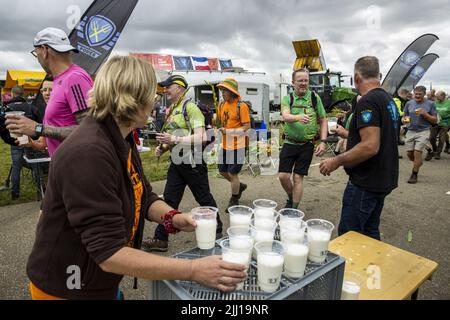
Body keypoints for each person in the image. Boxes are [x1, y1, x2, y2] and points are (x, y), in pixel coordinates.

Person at [26, 56, 246, 300]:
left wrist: (174, 218)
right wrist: (194, 270)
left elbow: (144, 194)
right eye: (151, 92)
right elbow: (109, 254)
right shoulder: (88, 153)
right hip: (67, 288)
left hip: (99, 280)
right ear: (132, 98)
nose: (154, 100)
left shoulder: (121, 136)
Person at [320, 56, 399, 240]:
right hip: (383, 178)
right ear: (378, 75)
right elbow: (382, 135)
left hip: (366, 181)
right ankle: (373, 269)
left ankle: (353, 269)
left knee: (350, 236)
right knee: (370, 232)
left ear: (356, 78)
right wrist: (348, 134)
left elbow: (370, 145)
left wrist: (336, 160)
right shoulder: (388, 100)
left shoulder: (368, 101)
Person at [142, 75, 223, 252]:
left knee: (204, 198)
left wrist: (174, 138)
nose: (165, 90)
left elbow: (201, 136)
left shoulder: (190, 107)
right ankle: (160, 239)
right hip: (177, 162)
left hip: (192, 160)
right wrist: (163, 147)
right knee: (170, 200)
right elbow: (173, 136)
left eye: (168, 86)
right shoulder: (173, 109)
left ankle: (216, 230)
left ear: (179, 88)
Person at [6, 27, 92, 157]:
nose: (38, 59)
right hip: (63, 166)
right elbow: (56, 129)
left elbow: (90, 131)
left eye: (36, 53)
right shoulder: (59, 80)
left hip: (78, 167)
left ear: (45, 50)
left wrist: (38, 128)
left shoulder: (74, 78)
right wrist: (32, 143)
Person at [279, 68, 328, 209]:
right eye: (300, 80)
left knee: (298, 177)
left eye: (306, 80)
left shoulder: (314, 98)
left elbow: (323, 119)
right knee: (283, 176)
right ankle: (290, 197)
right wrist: (299, 117)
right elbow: (285, 116)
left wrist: (323, 142)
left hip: (307, 145)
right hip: (289, 143)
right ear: (293, 82)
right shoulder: (287, 98)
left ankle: (293, 209)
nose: (303, 83)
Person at [216, 78, 250, 210]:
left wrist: (229, 132)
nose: (222, 93)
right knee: (222, 170)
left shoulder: (241, 106)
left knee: (232, 173)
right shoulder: (221, 105)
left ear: (232, 91)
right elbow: (220, 122)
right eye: (222, 90)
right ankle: (239, 186)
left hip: (239, 145)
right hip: (225, 144)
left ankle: (234, 199)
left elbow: (247, 127)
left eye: (225, 90)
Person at [6, 85, 38, 200]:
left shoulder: (7, 108)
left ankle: (15, 193)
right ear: (23, 94)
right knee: (35, 165)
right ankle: (40, 188)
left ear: (12, 94)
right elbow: (38, 125)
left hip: (15, 142)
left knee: (16, 167)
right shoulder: (31, 107)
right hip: (30, 140)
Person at [402, 86, 437, 184]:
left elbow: (435, 119)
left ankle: (414, 174)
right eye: (416, 94)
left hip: (424, 131)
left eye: (419, 94)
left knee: (417, 151)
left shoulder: (430, 104)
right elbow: (405, 115)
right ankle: (418, 163)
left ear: (424, 94)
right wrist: (403, 120)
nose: (417, 96)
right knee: (409, 154)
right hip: (411, 130)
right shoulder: (409, 103)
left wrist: (425, 114)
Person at [425, 91, 450, 160]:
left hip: (445, 123)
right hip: (435, 123)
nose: (436, 97)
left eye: (438, 96)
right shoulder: (435, 103)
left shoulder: (448, 103)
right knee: (432, 138)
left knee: (442, 139)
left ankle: (438, 153)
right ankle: (435, 150)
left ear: (443, 96)